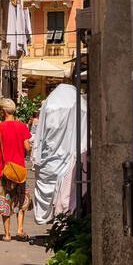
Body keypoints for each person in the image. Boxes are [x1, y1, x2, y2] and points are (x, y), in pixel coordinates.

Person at [31, 80, 88, 223]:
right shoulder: (81, 105)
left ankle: (54, 219)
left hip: (53, 159)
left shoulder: (51, 103)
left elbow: (41, 135)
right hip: (73, 157)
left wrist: (37, 154)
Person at [0, 97, 33, 242]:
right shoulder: (22, 127)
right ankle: (20, 228)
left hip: (3, 171)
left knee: (5, 201)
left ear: (3, 111)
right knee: (21, 199)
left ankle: (7, 234)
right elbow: (27, 147)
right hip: (19, 170)